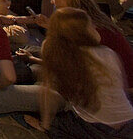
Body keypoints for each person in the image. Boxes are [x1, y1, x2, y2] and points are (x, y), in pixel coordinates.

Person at [27, 8, 133, 137]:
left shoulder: (60, 55)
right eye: (90, 25)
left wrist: (45, 124)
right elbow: (122, 89)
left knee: (57, 124)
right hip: (128, 121)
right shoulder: (107, 52)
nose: (94, 26)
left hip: (95, 127)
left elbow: (46, 94)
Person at [42, 0, 133, 91]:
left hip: (115, 83)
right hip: (113, 76)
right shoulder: (93, 17)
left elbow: (74, 63)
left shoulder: (86, 24)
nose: (52, 2)